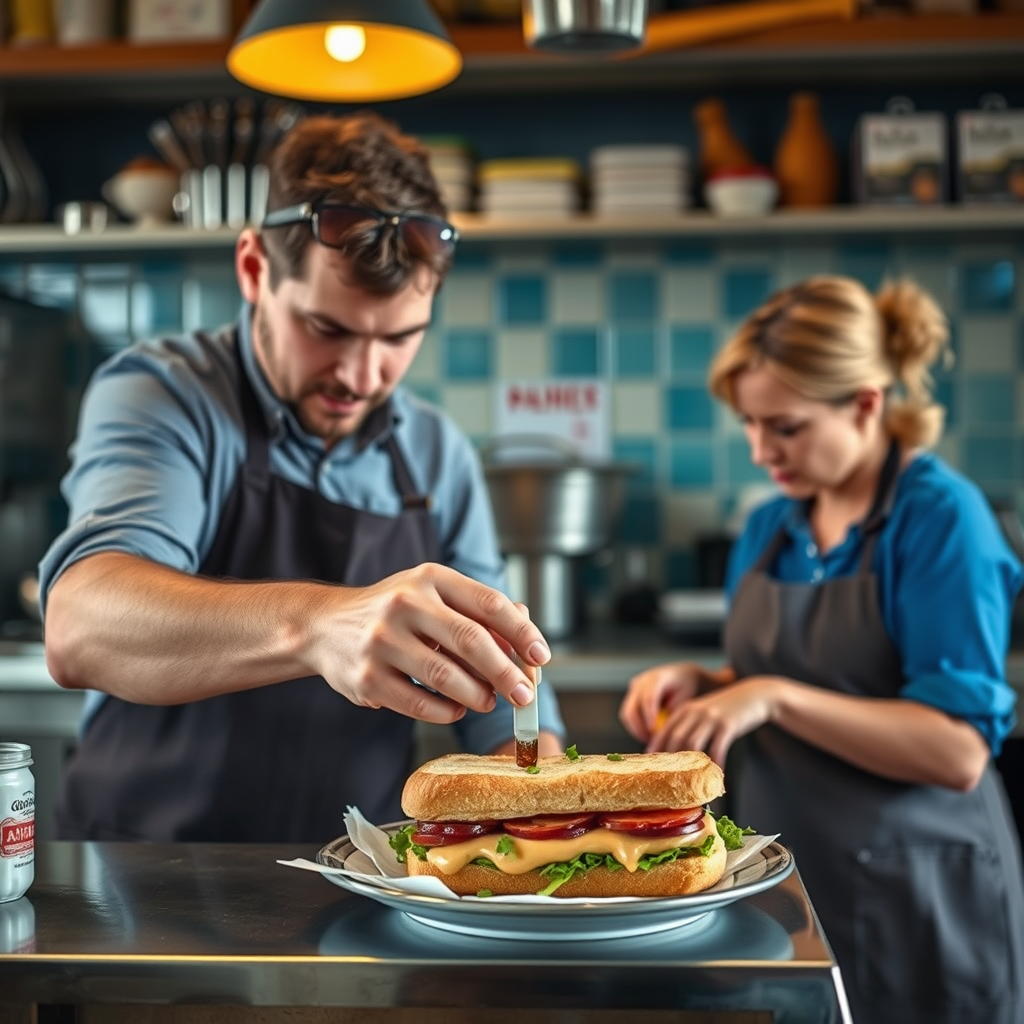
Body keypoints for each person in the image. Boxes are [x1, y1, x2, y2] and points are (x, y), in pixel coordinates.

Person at [39, 112, 565, 843]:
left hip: (354, 891)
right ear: (255, 269)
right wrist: (318, 625)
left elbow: (505, 719)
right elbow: (79, 624)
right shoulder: (166, 393)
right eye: (328, 329)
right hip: (140, 885)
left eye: (398, 339)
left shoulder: (437, 453)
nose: (360, 376)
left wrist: (543, 789)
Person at [619, 275, 1024, 1024]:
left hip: (913, 889)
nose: (760, 449)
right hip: (786, 883)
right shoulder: (773, 522)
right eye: (748, 423)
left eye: (787, 426)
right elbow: (804, 668)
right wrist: (707, 681)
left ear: (866, 404)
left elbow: (958, 749)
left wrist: (766, 695)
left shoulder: (941, 519)